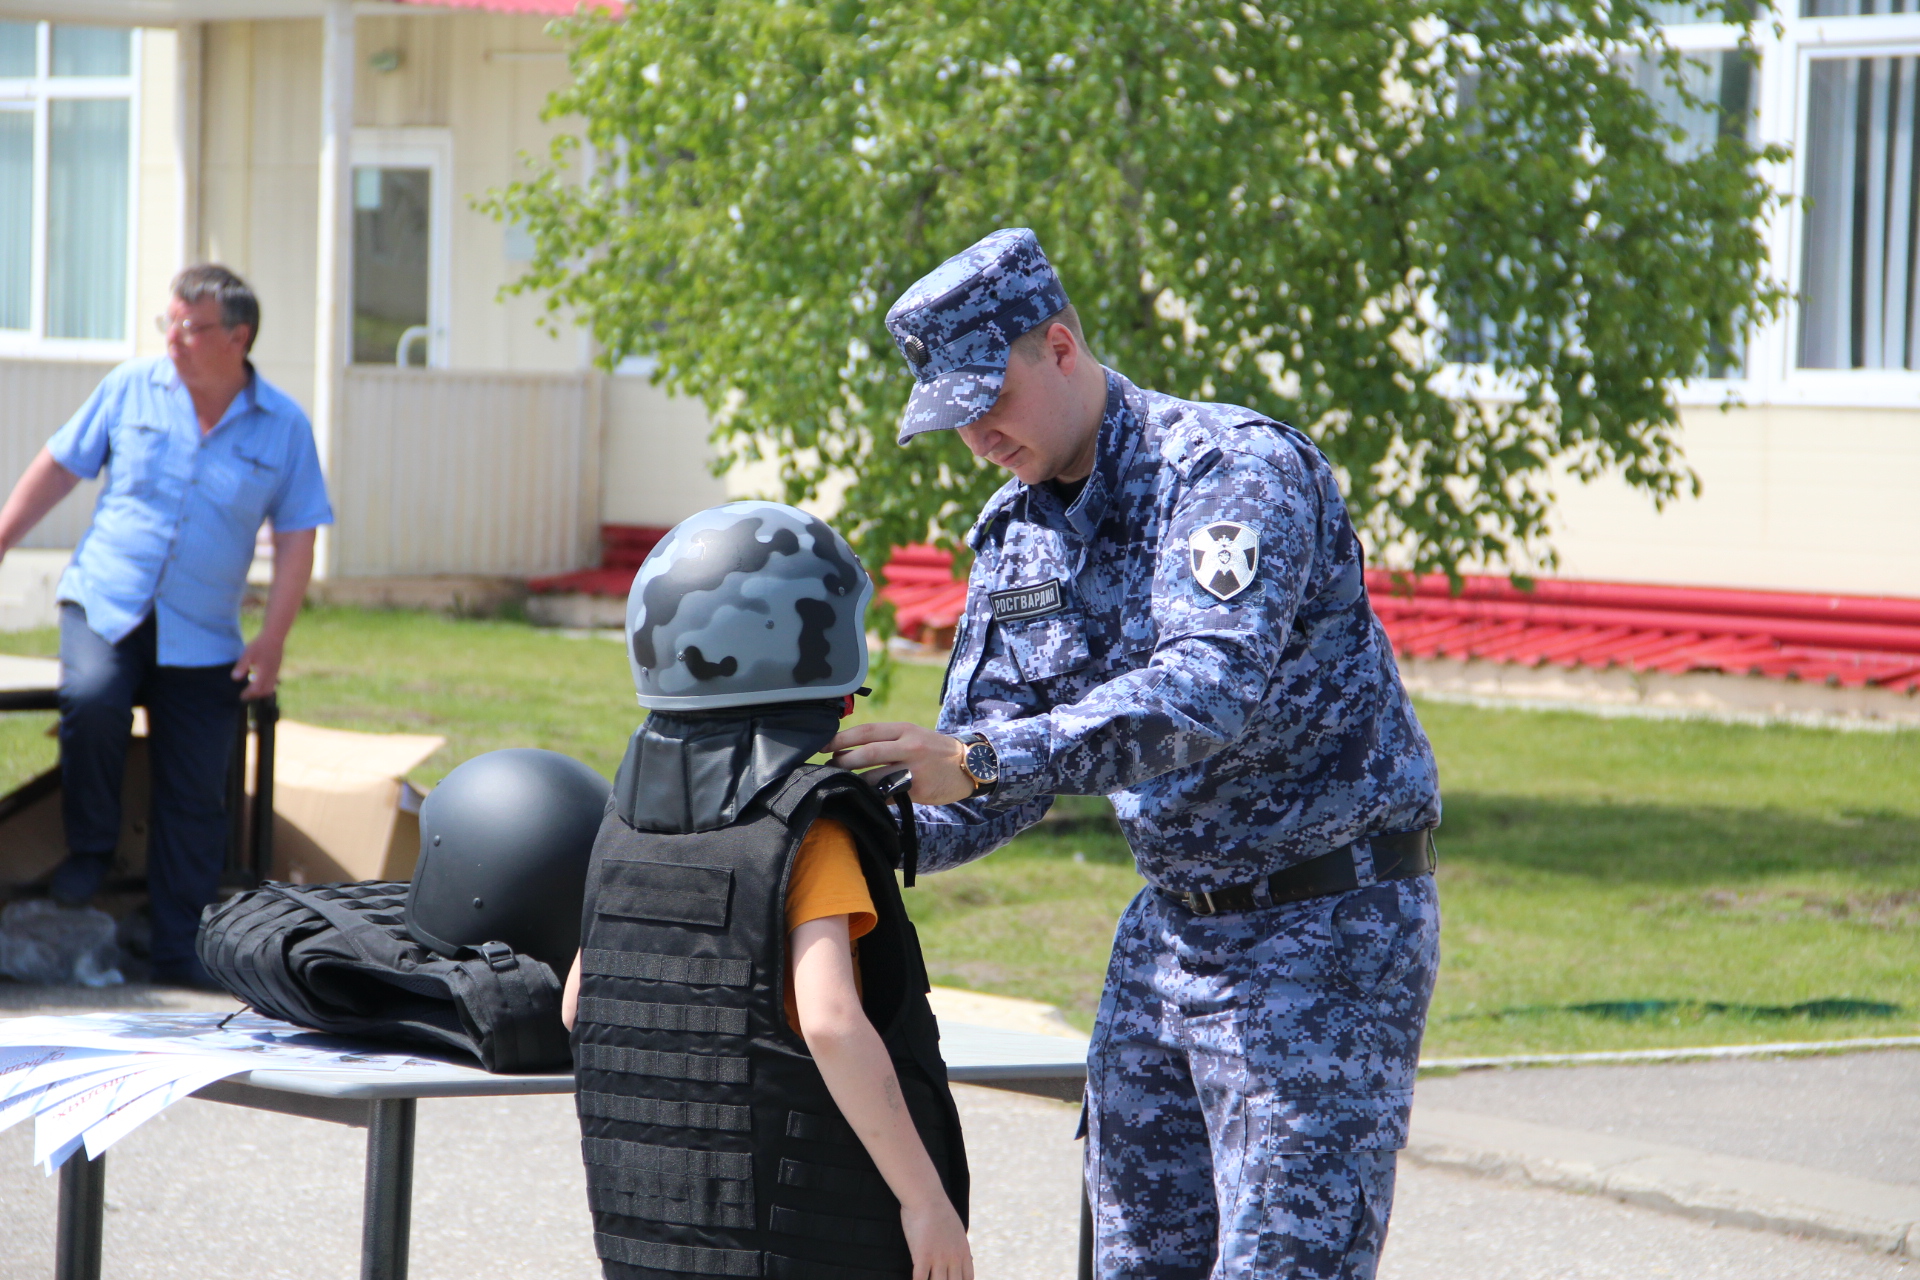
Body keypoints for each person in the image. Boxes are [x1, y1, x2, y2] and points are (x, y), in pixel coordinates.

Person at [827, 228, 1443, 1278]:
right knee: (1134, 1261)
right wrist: (820, 838)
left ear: (1059, 345)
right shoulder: (1018, 533)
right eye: (953, 414)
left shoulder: (1229, 472)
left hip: (1323, 926)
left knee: (1282, 1262)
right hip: (1169, 934)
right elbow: (980, 780)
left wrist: (976, 756)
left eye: (990, 397)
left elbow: (1199, 700)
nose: (977, 433)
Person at [559, 500, 971, 1280]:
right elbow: (829, 1021)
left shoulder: (621, 825)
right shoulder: (809, 829)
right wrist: (925, 1203)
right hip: (802, 1244)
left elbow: (582, 1006)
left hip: (648, 1245)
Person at [0, 264, 332, 989]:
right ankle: (90, 851)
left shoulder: (283, 425)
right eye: (169, 323)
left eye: (189, 326)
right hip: (106, 601)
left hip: (203, 631)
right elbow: (60, 465)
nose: (173, 338)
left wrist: (271, 640)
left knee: (196, 784)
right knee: (93, 700)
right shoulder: (130, 387)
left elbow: (301, 533)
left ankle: (181, 947)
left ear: (236, 336)